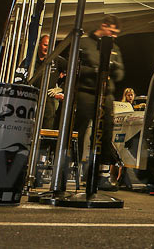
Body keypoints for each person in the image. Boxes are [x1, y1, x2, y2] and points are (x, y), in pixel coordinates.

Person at [73, 15, 124, 190]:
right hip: (87, 93)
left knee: (105, 132)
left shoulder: (114, 47)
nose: (114, 35)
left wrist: (114, 69)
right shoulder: (85, 42)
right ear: (103, 26)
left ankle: (102, 174)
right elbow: (74, 67)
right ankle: (74, 170)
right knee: (79, 130)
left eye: (116, 33)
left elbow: (120, 74)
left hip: (106, 95)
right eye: (111, 31)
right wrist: (95, 70)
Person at [36, 34, 66, 129]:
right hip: (32, 97)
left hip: (48, 99)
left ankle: (44, 143)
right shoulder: (31, 59)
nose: (47, 48)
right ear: (39, 44)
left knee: (47, 125)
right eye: (45, 45)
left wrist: (61, 88)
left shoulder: (57, 60)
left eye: (50, 46)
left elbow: (75, 73)